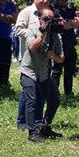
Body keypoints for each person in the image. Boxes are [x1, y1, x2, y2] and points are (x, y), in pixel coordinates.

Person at [19, 8, 64, 143]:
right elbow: (32, 47)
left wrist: (54, 57)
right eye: (46, 19)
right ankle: (32, 132)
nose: (48, 22)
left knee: (54, 100)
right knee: (31, 100)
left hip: (44, 73)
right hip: (29, 71)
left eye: (51, 19)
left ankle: (46, 128)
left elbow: (61, 58)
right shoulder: (31, 30)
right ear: (39, 19)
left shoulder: (56, 35)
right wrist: (43, 35)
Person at [14, 0, 51, 130]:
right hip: (29, 56)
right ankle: (22, 121)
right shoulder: (26, 12)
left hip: (42, 57)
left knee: (40, 88)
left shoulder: (48, 13)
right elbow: (18, 30)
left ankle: (36, 119)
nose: (45, 1)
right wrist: (34, 33)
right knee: (28, 90)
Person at [50, 0, 79, 97]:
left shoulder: (71, 10)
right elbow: (62, 24)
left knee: (69, 71)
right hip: (59, 44)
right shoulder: (54, 11)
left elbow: (78, 23)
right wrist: (72, 23)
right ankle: (54, 92)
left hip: (70, 44)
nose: (64, 1)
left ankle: (68, 92)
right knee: (57, 70)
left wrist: (70, 23)